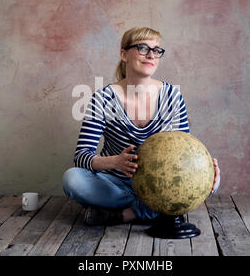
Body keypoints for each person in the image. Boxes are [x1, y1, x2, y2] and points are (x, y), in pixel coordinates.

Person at [62, 27, 221, 226]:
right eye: (143, 48)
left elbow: (184, 153)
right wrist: (115, 162)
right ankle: (156, 210)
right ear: (123, 54)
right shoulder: (102, 99)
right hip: (115, 183)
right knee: (72, 179)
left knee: (212, 180)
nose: (151, 55)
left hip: (161, 184)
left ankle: (126, 214)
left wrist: (204, 170)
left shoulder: (172, 96)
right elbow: (81, 156)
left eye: (156, 50)